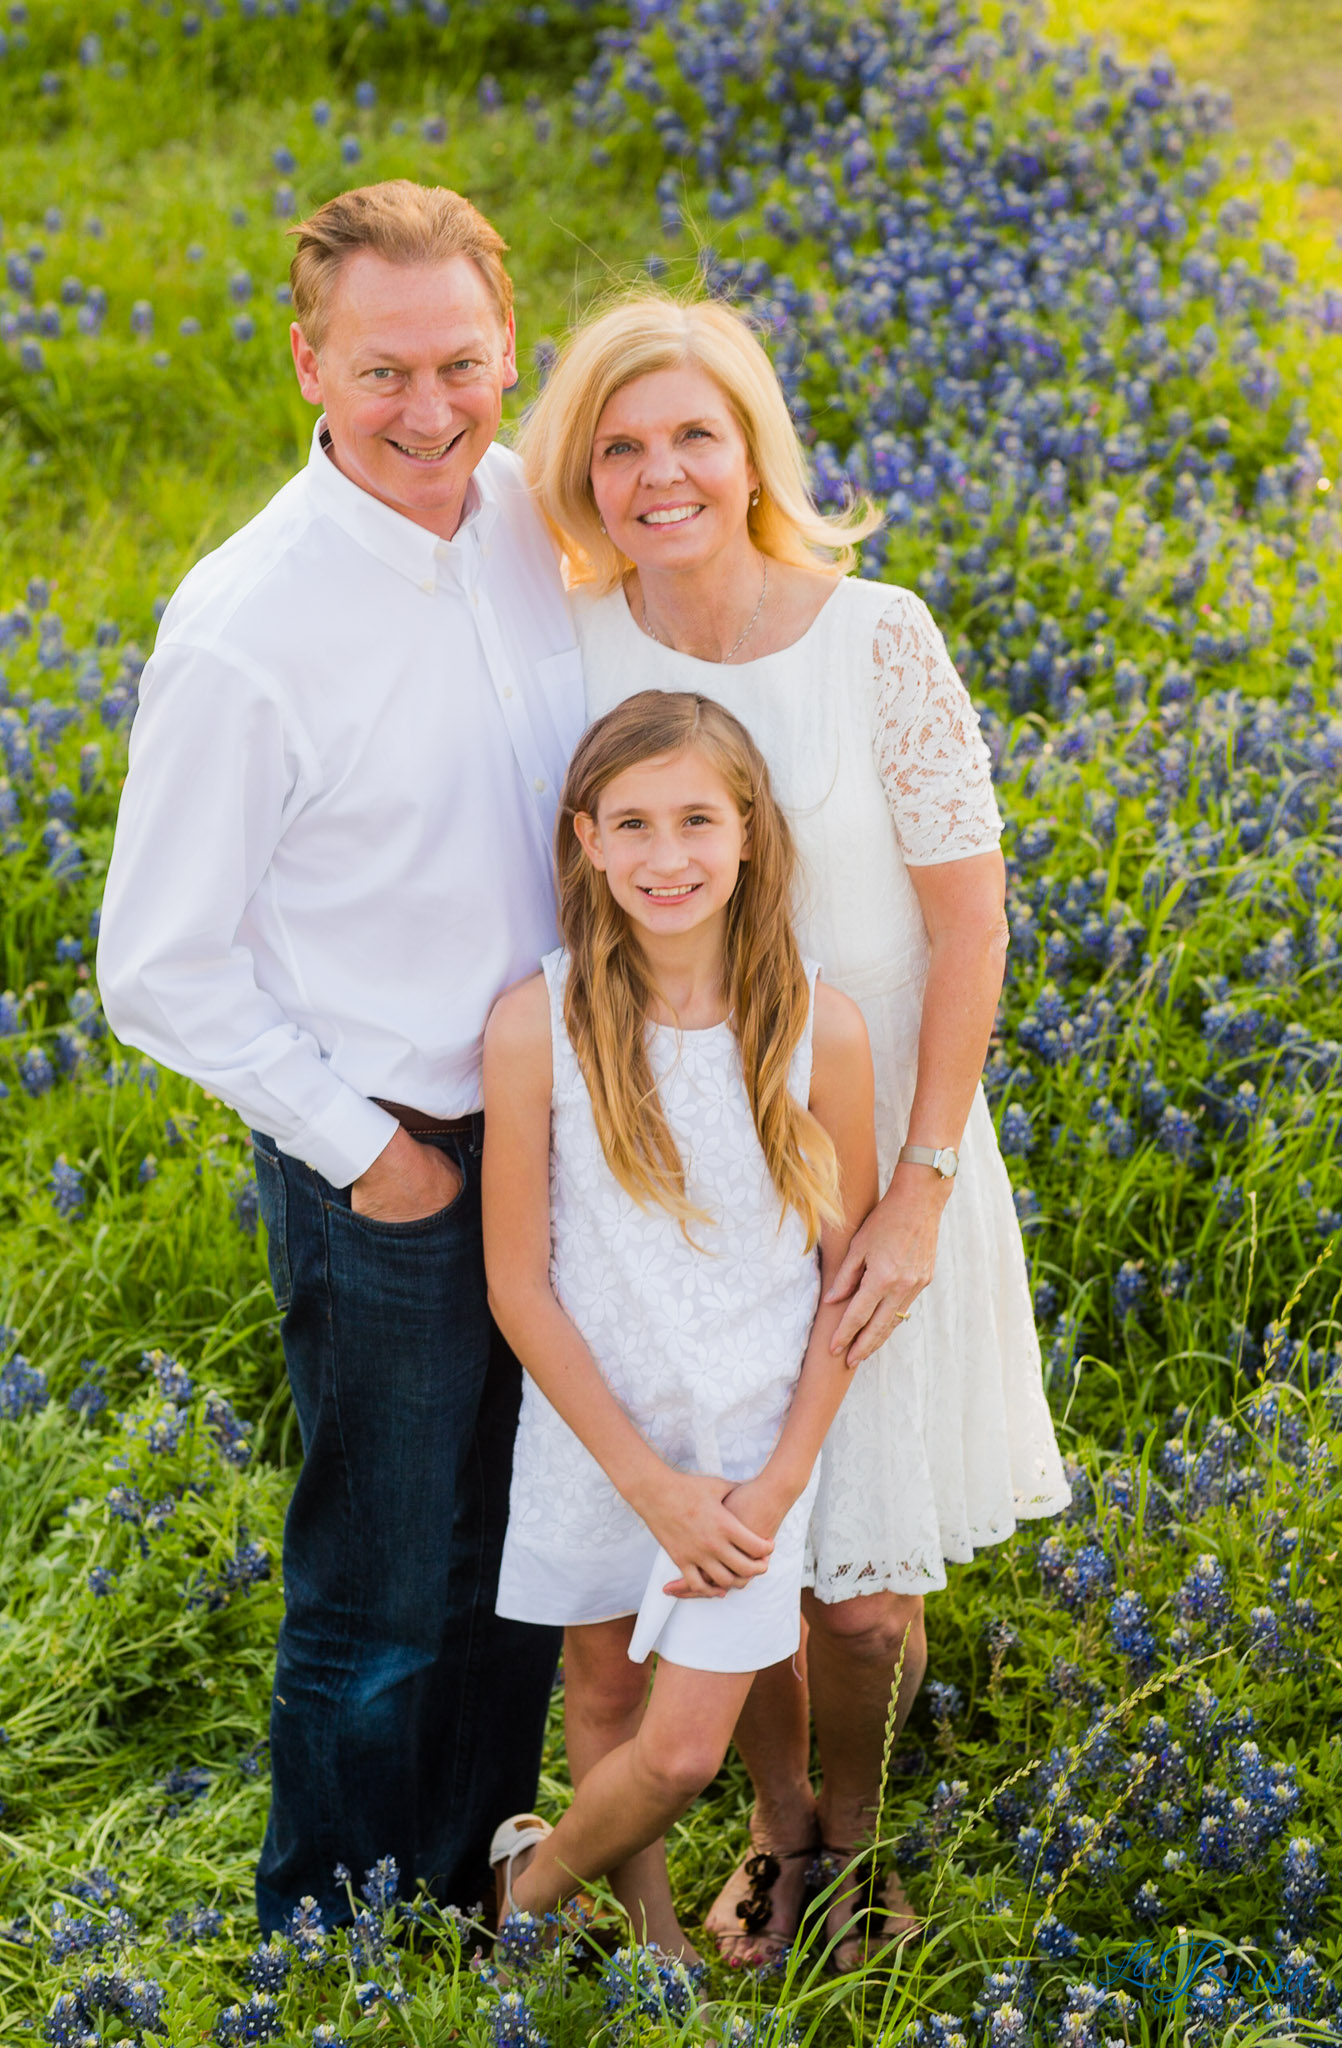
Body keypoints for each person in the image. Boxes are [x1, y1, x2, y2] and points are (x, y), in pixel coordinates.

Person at [519, 292, 1072, 1968]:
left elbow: (968, 929)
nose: (659, 471)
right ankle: (775, 1825)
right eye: (619, 445)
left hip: (880, 1140)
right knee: (744, 1528)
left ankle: (857, 1829)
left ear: (756, 446)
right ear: (583, 476)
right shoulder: (583, 636)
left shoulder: (875, 630)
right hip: (685, 1174)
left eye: (693, 431)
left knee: (864, 1584)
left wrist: (914, 1185)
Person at [96, 180, 581, 1934]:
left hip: (570, 1128)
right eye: (385, 371)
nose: (431, 408)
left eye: (462, 362)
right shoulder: (247, 624)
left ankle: (467, 1872)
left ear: (508, 350)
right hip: (393, 1141)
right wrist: (359, 1146)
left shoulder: (538, 516)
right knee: (382, 1575)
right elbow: (156, 964)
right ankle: (331, 1923)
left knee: (524, 1540)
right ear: (307, 358)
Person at [480, 691, 879, 1963]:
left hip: (751, 1459)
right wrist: (645, 1482)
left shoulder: (825, 1026)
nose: (668, 856)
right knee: (600, 1689)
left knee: (685, 1746)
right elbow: (518, 1286)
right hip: (599, 1435)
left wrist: (778, 1480)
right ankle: (652, 1956)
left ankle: (522, 1895)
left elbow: (844, 1293)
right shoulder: (532, 1024)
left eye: (698, 819)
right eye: (634, 823)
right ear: (585, 838)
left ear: (750, 833)